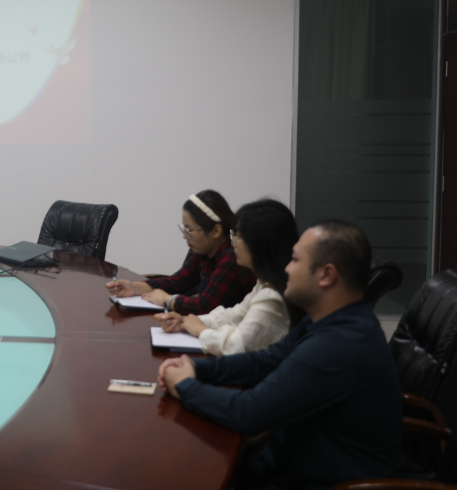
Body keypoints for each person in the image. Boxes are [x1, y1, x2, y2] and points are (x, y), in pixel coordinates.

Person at [158, 220, 404, 490]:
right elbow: (264, 361)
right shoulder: (328, 320)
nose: (286, 267)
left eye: (295, 260)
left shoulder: (338, 345)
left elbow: (248, 412)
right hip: (291, 459)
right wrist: (196, 368)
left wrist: (185, 385)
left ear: (326, 275)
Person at [153, 198, 299, 355]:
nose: (233, 242)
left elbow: (235, 346)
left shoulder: (272, 296)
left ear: (261, 244)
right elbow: (234, 316)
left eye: (239, 236)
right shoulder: (263, 284)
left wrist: (200, 329)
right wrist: (184, 322)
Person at [106, 190, 254, 315]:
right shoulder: (204, 251)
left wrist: (167, 300)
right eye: (184, 229)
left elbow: (204, 306)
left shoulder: (232, 257)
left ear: (216, 231)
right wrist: (135, 288)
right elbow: (177, 282)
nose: (184, 236)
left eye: (189, 230)